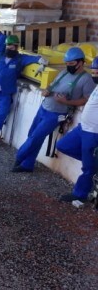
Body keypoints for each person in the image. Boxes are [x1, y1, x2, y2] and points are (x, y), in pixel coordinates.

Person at [13, 47, 95, 173]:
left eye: (71, 64)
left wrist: (66, 102)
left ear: (81, 62)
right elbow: (52, 85)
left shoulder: (86, 79)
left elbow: (85, 99)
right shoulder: (64, 73)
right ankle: (27, 165)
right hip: (44, 107)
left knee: (35, 137)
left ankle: (19, 158)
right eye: (67, 64)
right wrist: (47, 90)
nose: (69, 66)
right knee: (33, 135)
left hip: (56, 114)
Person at [0, 35, 45, 146]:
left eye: (14, 46)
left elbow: (38, 58)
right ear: (6, 46)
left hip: (6, 93)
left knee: (2, 114)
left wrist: (43, 63)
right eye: (9, 46)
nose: (12, 48)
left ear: (17, 47)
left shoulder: (20, 59)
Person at [52, 57, 98, 203]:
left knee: (88, 169)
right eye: (94, 72)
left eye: (97, 73)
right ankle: (93, 164)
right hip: (82, 128)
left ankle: (80, 194)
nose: (94, 75)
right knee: (63, 145)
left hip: (94, 132)